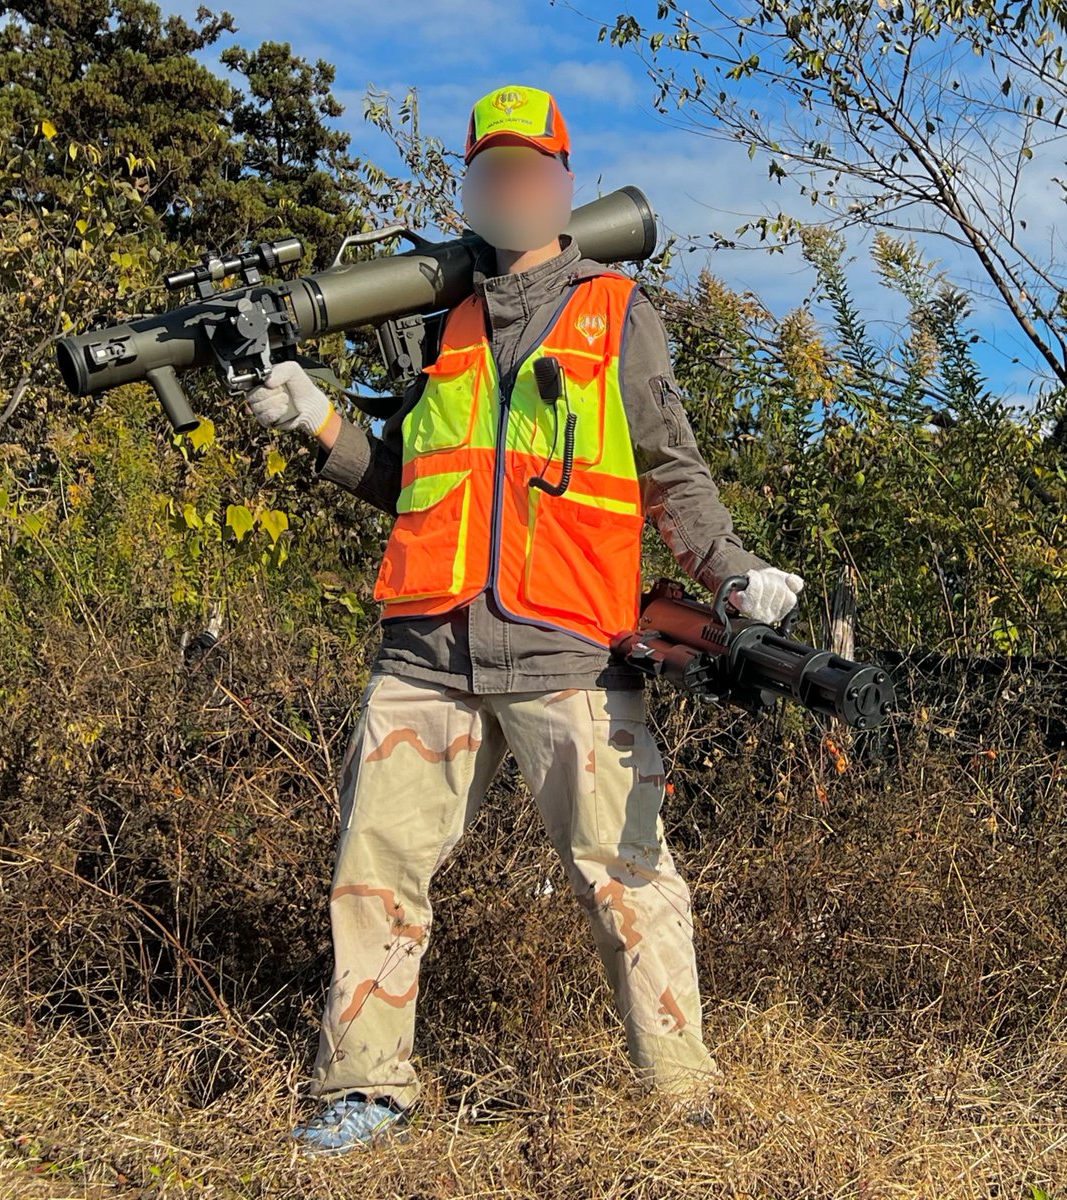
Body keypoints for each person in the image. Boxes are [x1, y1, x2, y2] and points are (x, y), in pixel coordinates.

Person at [242, 84, 804, 1156]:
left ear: (559, 183)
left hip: (570, 651)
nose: (509, 186)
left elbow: (667, 471)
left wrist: (729, 574)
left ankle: (682, 1100)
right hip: (428, 650)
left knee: (627, 877)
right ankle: (364, 1088)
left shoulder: (612, 310)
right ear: (468, 186)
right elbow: (411, 482)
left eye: (527, 169)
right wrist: (315, 422)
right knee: (374, 873)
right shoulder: (435, 318)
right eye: (488, 171)